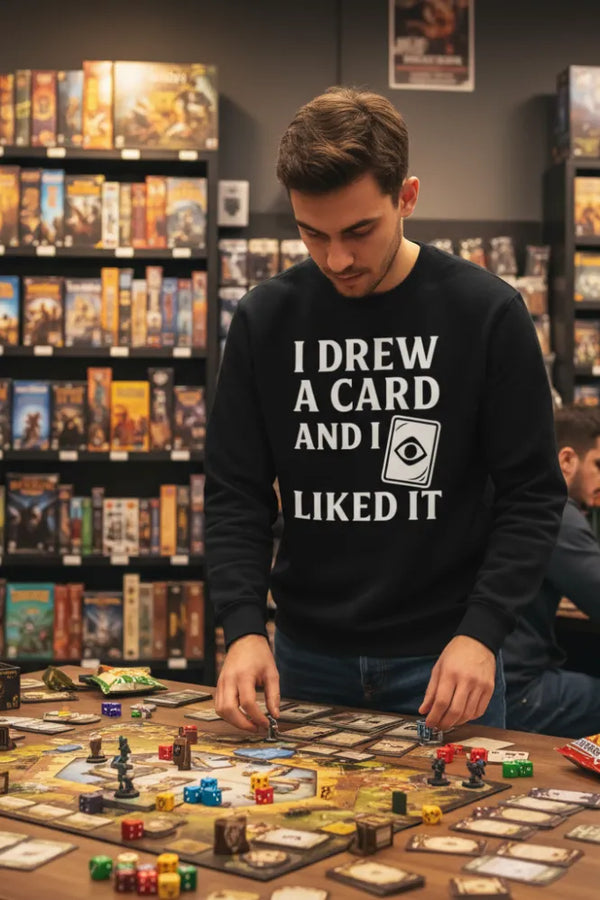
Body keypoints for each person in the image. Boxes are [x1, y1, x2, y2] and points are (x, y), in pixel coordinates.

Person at [204, 86, 566, 736]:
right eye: (312, 233)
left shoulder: (486, 314)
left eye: (358, 231)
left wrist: (483, 633)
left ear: (408, 197)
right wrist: (242, 629)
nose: (336, 258)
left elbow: (534, 495)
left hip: (446, 662)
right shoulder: (265, 319)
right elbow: (237, 493)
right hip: (302, 660)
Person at [504, 406, 600, 737]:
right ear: (567, 460)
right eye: (598, 465)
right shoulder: (554, 509)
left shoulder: (508, 494)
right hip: (515, 692)